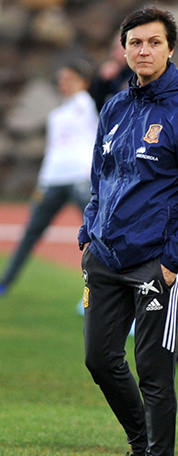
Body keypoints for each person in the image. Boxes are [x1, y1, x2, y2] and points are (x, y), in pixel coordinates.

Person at [79, 6, 178, 456]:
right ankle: (142, 454)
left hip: (155, 262)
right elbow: (100, 179)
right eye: (135, 43)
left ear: (171, 48)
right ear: (123, 50)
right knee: (99, 360)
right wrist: (88, 232)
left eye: (154, 42)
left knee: (154, 371)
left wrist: (173, 260)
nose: (144, 51)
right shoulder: (115, 108)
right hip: (105, 256)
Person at [0, 59, 98, 296]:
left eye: (70, 79)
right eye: (62, 80)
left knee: (97, 233)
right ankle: (6, 282)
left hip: (79, 179)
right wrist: (42, 181)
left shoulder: (87, 104)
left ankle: (109, 284)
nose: (64, 84)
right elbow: (53, 151)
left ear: (84, 82)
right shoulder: (57, 114)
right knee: (30, 233)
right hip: (52, 180)